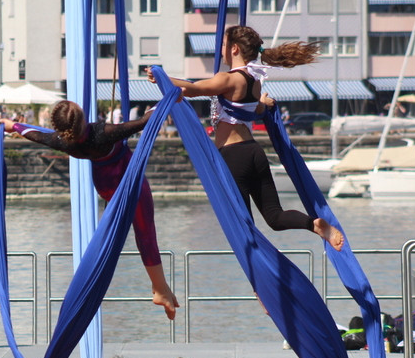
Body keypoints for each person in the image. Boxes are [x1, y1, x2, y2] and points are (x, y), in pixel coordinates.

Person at [147, 25, 344, 251]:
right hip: (253, 152)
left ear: (234, 49)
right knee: (275, 217)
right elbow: (254, 110)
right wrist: (264, 104)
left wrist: (162, 77)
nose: (220, 49)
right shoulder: (254, 80)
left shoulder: (229, 79)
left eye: (223, 45)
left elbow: (194, 89)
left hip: (233, 157)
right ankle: (314, 224)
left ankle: (260, 286)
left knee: (244, 231)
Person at [2, 102, 180, 320]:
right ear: (82, 118)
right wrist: (159, 105)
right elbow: (144, 122)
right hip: (126, 180)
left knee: (135, 232)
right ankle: (160, 289)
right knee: (145, 233)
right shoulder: (102, 133)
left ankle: (162, 288)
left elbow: (37, 135)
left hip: (105, 185)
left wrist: (14, 126)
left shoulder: (64, 142)